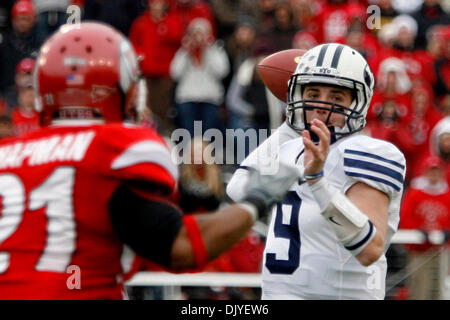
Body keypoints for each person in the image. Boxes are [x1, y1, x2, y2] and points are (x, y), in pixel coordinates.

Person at [0, 22, 301, 300]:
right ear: (123, 89)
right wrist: (255, 202)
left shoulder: (7, 153)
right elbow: (180, 246)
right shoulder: (111, 148)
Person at [227, 43, 407, 299]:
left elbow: (370, 249)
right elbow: (237, 189)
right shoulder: (291, 149)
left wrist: (318, 182)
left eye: (336, 97)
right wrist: (292, 125)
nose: (322, 105)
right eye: (313, 93)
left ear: (359, 101)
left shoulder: (369, 151)